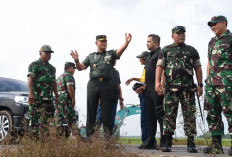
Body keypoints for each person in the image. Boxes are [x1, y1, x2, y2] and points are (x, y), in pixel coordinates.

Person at [70, 34, 132, 137]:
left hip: (107, 84)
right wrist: (76, 60)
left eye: (105, 41)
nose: (104, 43)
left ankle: (107, 138)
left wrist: (126, 42)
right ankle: (90, 138)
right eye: (101, 41)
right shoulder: (91, 56)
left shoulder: (110, 54)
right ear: (96, 43)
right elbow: (81, 67)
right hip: (93, 84)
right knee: (91, 111)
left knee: (107, 113)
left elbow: (118, 52)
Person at [155, 26, 203, 153]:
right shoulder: (165, 50)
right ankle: (167, 143)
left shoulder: (192, 50)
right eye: (178, 34)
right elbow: (160, 67)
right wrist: (157, 82)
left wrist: (200, 85)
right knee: (169, 115)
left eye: (183, 33)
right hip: (171, 89)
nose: (181, 35)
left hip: (188, 89)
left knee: (190, 115)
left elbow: (198, 68)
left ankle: (191, 143)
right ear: (172, 36)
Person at [203, 15, 232, 155]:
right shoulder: (211, 42)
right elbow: (209, 61)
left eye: (214, 24)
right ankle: (216, 146)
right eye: (210, 25)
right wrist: (207, 79)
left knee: (230, 112)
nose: (212, 27)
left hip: (227, 83)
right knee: (212, 114)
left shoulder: (230, 39)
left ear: (223, 23)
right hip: (211, 84)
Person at [27, 45, 59, 135]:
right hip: (36, 98)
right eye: (46, 53)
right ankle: (33, 142)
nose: (48, 55)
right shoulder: (34, 65)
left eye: (50, 53)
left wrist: (56, 95)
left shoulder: (52, 68)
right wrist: (31, 94)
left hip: (48, 99)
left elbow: (54, 83)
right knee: (34, 120)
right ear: (40, 53)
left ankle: (44, 143)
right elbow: (30, 80)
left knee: (46, 121)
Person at [126, 51, 153, 148]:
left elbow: (148, 81)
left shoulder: (148, 67)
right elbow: (144, 80)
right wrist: (133, 78)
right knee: (148, 119)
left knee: (145, 119)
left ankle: (146, 141)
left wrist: (142, 88)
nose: (139, 60)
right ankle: (150, 141)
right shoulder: (146, 68)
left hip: (145, 95)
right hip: (144, 94)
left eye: (140, 58)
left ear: (145, 58)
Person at [96, 60, 124, 129]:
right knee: (99, 118)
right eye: (114, 59)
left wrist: (121, 99)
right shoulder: (102, 71)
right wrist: (98, 98)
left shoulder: (116, 72)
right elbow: (98, 85)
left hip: (114, 99)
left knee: (111, 120)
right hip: (103, 99)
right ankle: (95, 137)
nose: (115, 61)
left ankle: (109, 137)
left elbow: (118, 85)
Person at [55, 62, 77, 135]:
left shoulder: (59, 77)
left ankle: (55, 139)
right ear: (69, 68)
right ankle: (79, 139)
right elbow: (70, 87)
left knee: (58, 120)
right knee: (71, 119)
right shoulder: (69, 75)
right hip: (66, 100)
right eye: (73, 69)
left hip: (59, 101)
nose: (74, 70)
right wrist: (73, 99)